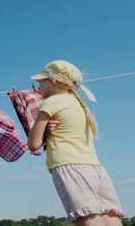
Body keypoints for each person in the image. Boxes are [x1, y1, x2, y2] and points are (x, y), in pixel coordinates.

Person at [28, 60, 126, 226]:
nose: (39, 86)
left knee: (87, 220)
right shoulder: (80, 105)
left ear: (52, 82)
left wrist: (44, 132)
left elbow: (34, 144)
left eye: (41, 81)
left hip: (68, 165)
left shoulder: (50, 102)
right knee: (110, 219)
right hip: (96, 168)